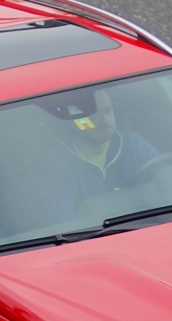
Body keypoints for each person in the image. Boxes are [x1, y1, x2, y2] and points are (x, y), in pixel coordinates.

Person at [42, 88, 160, 224]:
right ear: (72, 122)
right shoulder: (57, 166)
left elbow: (167, 186)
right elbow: (63, 225)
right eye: (92, 115)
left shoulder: (134, 145)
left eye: (107, 110)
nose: (105, 120)